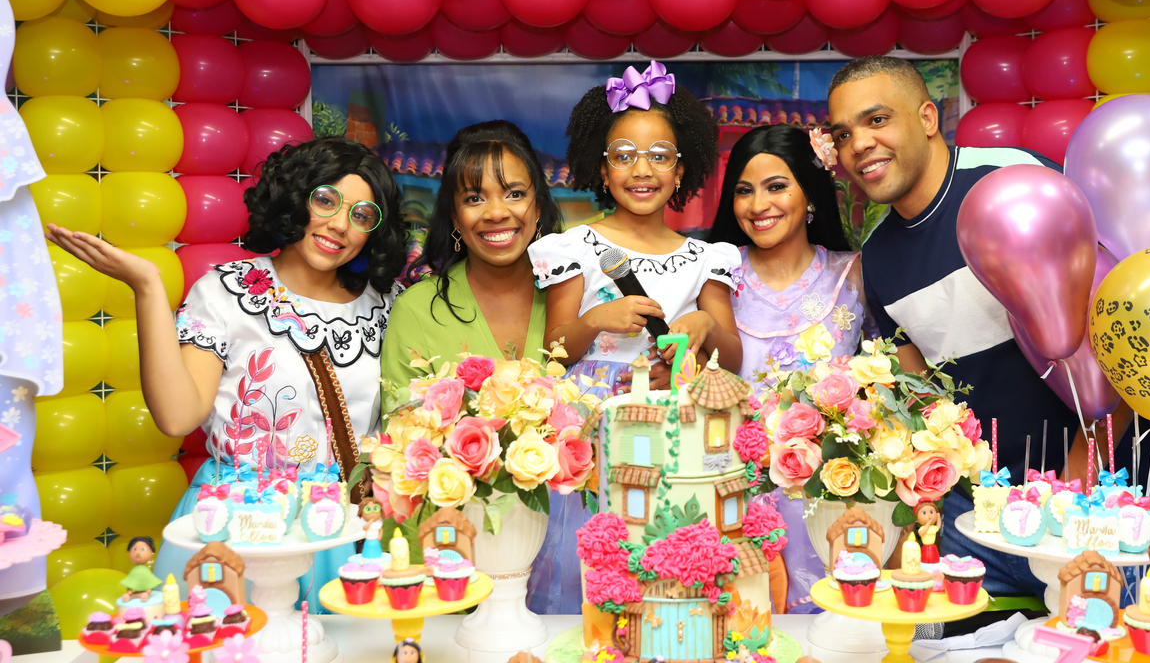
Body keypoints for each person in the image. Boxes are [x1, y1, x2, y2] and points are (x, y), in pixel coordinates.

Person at [46, 137, 408, 607]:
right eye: (325, 199)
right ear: (295, 196)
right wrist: (148, 287)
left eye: (361, 215)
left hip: (348, 527)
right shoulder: (226, 293)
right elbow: (177, 418)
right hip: (240, 525)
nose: (339, 224)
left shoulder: (389, 304)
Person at [825, 55, 1108, 596]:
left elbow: (1105, 339)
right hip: (982, 522)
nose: (858, 143)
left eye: (877, 120)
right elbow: (924, 408)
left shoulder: (1012, 178)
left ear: (928, 118)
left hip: (1096, 506)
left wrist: (1078, 502)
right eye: (844, 133)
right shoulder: (879, 259)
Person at [526, 61, 742, 614]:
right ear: (602, 168)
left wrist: (705, 327)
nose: (640, 170)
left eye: (659, 156)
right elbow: (555, 350)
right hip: (593, 430)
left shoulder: (706, 258)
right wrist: (596, 320)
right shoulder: (573, 246)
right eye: (624, 155)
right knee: (596, 562)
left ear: (680, 170)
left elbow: (734, 358)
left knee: (662, 561)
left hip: (672, 430)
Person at [707, 123, 867, 612]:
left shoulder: (854, 272)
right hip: (728, 496)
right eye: (744, 191)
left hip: (830, 499)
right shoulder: (714, 273)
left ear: (811, 193)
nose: (759, 205)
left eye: (777, 186)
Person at [380, 121, 562, 399]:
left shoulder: (580, 296)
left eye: (514, 194)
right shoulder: (416, 312)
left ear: (537, 206)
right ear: (455, 216)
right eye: (475, 198)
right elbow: (401, 432)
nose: (496, 213)